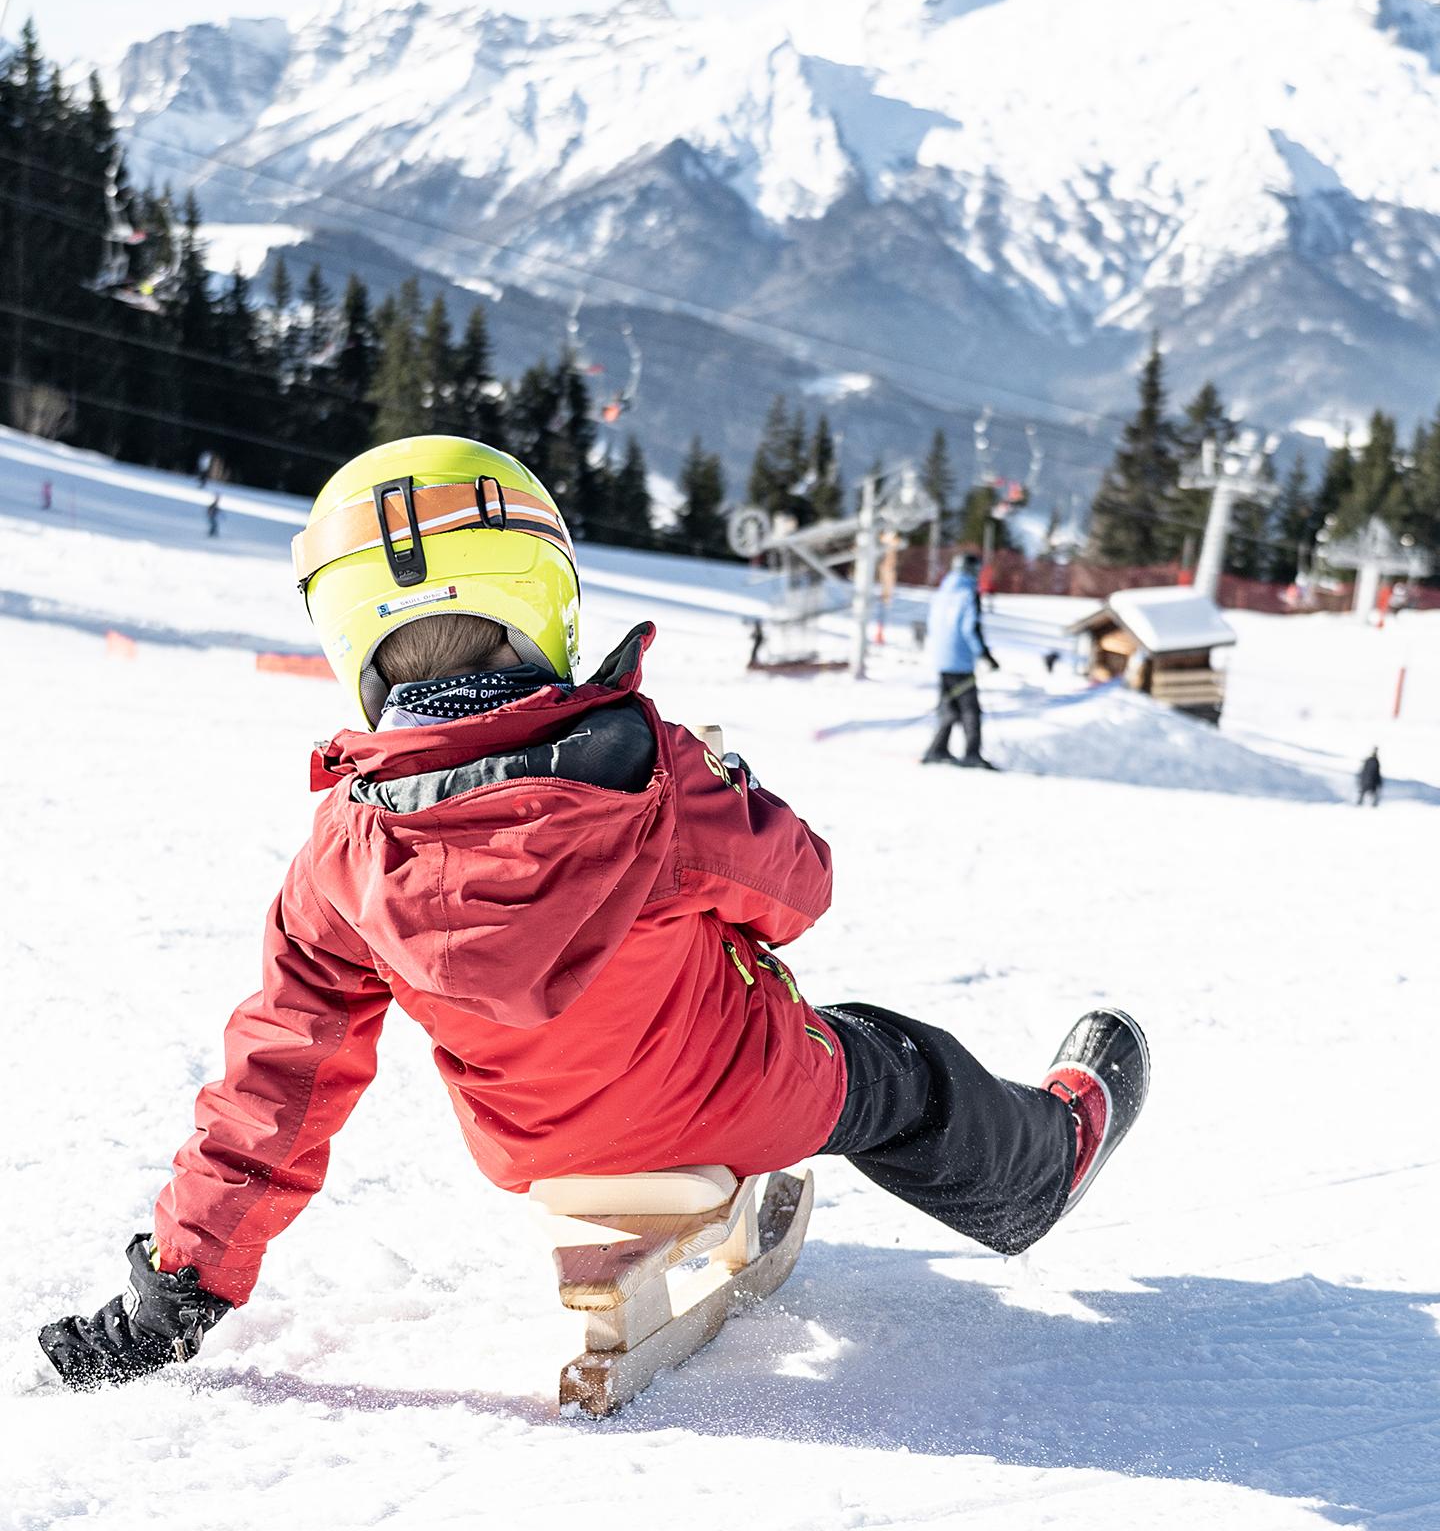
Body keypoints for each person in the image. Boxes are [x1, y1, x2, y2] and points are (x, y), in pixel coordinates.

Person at [37, 436, 1148, 1390]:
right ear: (542, 596)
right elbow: (799, 892)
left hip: (536, 1150)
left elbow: (277, 1081)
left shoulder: (342, 855)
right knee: (899, 1068)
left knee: (809, 1051)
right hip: (749, 1092)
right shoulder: (651, 772)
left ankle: (193, 1290)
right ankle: (1043, 1164)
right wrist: (734, 783)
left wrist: (174, 1292)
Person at [922, 550, 1000, 769]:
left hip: (940, 658)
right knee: (970, 710)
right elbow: (970, 628)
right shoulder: (968, 594)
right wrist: (984, 655)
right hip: (961, 660)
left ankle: (937, 749)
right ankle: (972, 753)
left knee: (950, 706)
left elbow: (932, 625)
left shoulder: (942, 592)